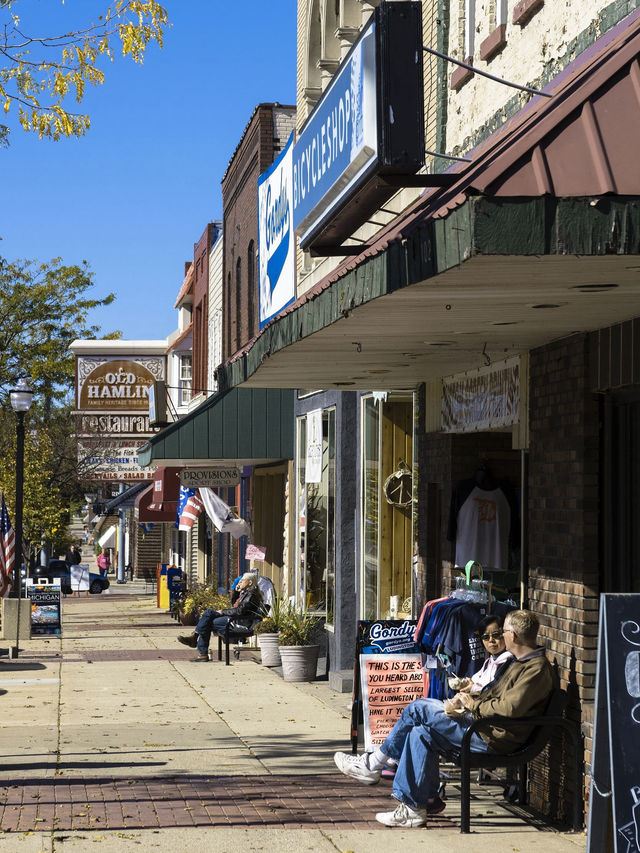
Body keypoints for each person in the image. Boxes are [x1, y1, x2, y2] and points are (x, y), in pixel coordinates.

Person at [334, 609, 555, 828]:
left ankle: (373, 763)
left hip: (492, 736)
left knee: (418, 708)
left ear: (513, 635)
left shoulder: (534, 669)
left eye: (503, 632)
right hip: (485, 727)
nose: (500, 637)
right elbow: (496, 696)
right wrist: (468, 697)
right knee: (419, 732)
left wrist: (472, 705)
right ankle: (417, 806)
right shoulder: (520, 662)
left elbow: (510, 708)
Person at [177, 572, 264, 662]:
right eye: (240, 581)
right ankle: (197, 642)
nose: (240, 582)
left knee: (207, 620)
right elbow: (234, 605)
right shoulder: (246, 593)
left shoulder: (251, 595)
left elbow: (239, 611)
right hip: (236, 619)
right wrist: (236, 592)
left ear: (250, 583)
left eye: (242, 581)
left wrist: (223, 612)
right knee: (208, 615)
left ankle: (198, 643)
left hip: (240, 623)